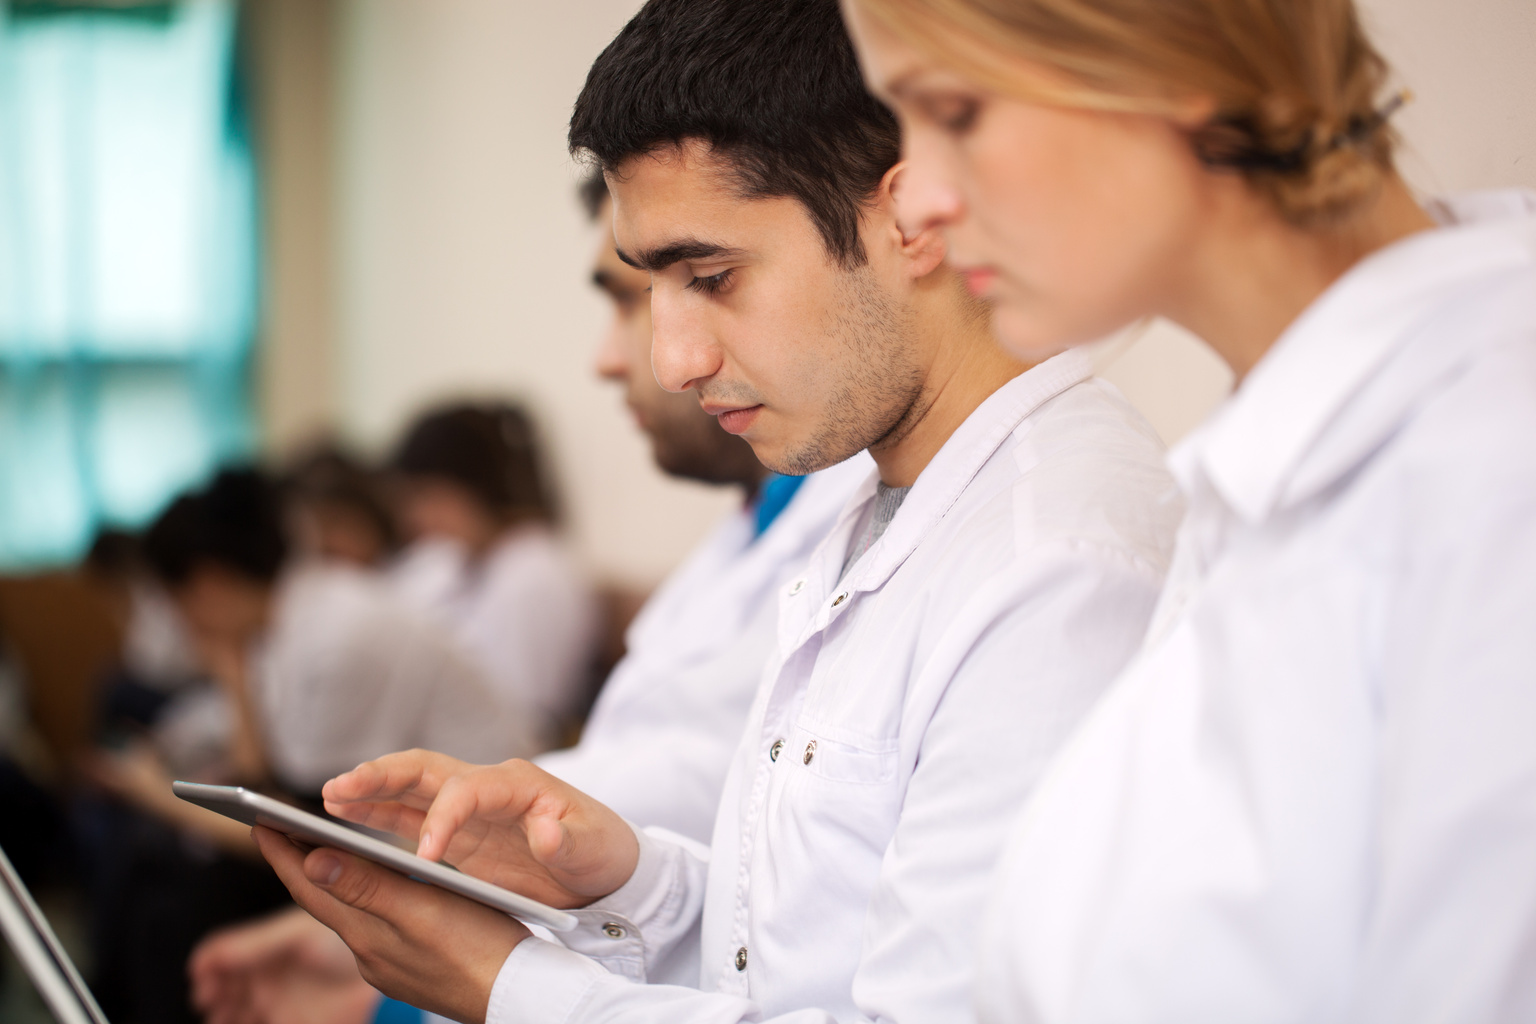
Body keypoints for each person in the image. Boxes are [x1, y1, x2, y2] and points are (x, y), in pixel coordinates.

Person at [249, 2, 1183, 1022]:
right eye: (654, 288)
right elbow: (794, 953)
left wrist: (508, 987)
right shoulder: (876, 501)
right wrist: (628, 882)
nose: (671, 359)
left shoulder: (1059, 567)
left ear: (912, 218)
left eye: (711, 277)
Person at [840, 0, 1536, 1020]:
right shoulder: (1281, 460)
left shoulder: (1491, 472)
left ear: (1174, 53)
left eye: (957, 110)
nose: (918, 201)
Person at [188, 172, 871, 1024]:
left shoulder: (904, 543)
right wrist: (376, 945)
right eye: (639, 299)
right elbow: (679, 879)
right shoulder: (753, 531)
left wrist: (413, 969)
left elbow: (707, 851)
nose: (630, 357)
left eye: (701, 281)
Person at [140, 467, 523, 797]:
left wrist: (153, 794)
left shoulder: (335, 635)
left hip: (485, 833)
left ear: (209, 585)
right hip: (436, 824)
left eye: (177, 605)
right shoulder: (292, 618)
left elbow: (298, 812)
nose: (183, 625)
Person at [386, 402, 599, 751]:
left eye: (426, 495)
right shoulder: (446, 561)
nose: (414, 516)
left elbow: (526, 720)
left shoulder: (536, 574)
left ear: (475, 489)